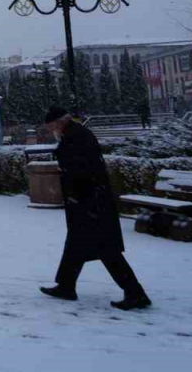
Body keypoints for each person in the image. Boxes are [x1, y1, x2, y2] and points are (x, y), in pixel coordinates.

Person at [40, 106, 152, 311]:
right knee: (75, 244)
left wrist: (67, 173)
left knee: (107, 250)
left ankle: (136, 293)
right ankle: (66, 286)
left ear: (60, 122)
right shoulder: (74, 134)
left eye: (51, 126)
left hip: (91, 203)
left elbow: (82, 169)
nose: (50, 130)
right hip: (86, 201)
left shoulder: (77, 136)